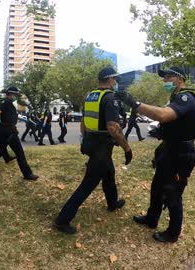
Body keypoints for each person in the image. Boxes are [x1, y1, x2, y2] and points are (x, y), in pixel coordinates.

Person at [116, 66, 195, 243]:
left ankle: (172, 234)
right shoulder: (176, 98)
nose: (164, 81)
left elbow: (163, 115)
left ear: (179, 79)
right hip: (169, 151)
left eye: (168, 77)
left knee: (173, 194)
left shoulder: (187, 98)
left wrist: (135, 104)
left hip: (181, 155)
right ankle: (151, 218)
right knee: (156, 187)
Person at [53, 67, 131, 235]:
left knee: (109, 173)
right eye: (115, 79)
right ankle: (62, 219)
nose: (116, 82)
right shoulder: (110, 98)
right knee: (88, 184)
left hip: (91, 141)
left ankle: (112, 203)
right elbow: (113, 127)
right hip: (102, 146)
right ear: (109, 80)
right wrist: (126, 147)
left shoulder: (90, 96)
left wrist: (83, 137)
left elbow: (84, 120)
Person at [0, 86, 39, 181]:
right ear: (10, 94)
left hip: (5, 131)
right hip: (9, 132)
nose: (16, 96)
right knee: (20, 153)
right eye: (15, 94)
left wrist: (21, 118)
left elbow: (10, 115)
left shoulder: (9, 103)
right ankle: (27, 174)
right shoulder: (5, 103)